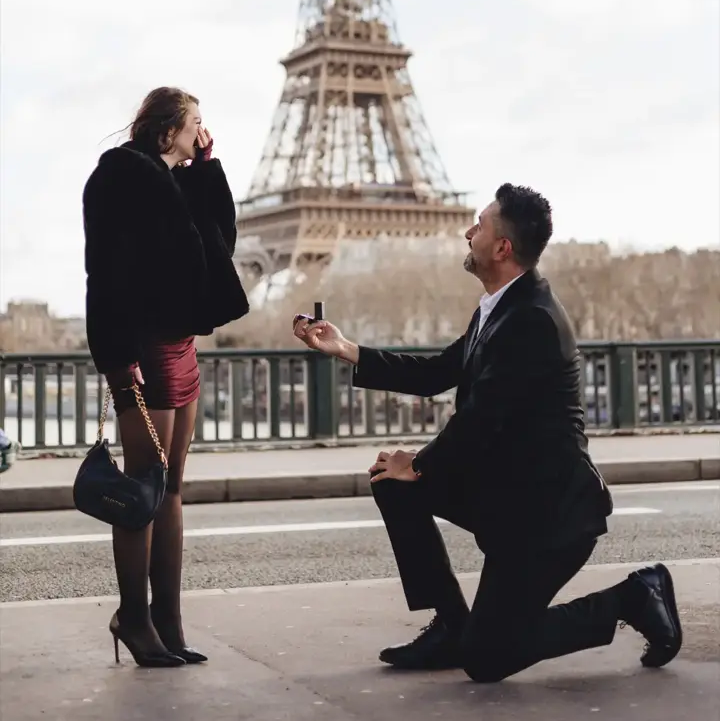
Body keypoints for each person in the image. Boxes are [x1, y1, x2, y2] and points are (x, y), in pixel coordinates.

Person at [293, 183, 682, 684]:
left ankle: (633, 597)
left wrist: (420, 464)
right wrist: (348, 350)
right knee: (391, 482)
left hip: (550, 517)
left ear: (501, 247)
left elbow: (482, 417)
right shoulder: (497, 306)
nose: (467, 231)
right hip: (509, 494)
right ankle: (453, 625)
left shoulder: (533, 319)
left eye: (479, 225)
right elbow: (437, 372)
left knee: (490, 658)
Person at [83, 87, 249, 668]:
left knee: (172, 487)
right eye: (195, 122)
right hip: (145, 348)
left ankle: (169, 622)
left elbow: (219, 247)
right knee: (143, 491)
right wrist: (118, 359)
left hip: (181, 345)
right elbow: (105, 271)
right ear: (165, 131)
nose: (203, 130)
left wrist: (207, 170)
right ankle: (134, 617)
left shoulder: (177, 179)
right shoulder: (121, 176)